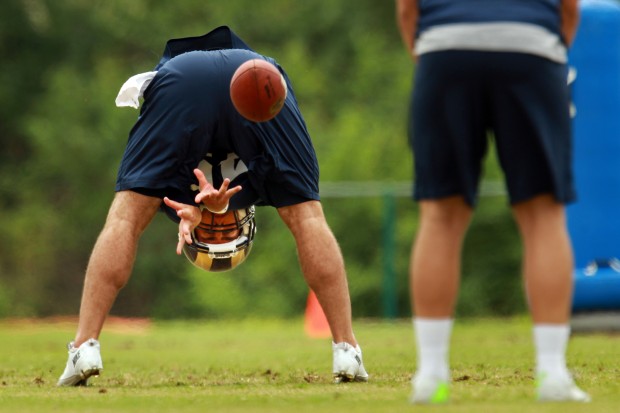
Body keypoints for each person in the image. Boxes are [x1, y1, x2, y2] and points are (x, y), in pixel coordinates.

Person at [57, 26, 368, 386]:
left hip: (186, 81)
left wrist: (194, 208)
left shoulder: (181, 198)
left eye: (213, 230)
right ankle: (345, 346)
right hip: (249, 72)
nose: (218, 223)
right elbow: (268, 174)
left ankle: (84, 345)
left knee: (125, 217)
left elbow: (156, 197)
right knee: (307, 215)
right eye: (226, 228)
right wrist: (210, 209)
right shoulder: (235, 192)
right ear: (245, 225)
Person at [395, 0, 589, 404]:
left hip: (443, 45)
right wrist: (548, 53)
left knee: (440, 214)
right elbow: (569, 9)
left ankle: (431, 376)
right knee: (543, 214)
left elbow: (406, 8)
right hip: (532, 45)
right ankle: (552, 372)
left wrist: (431, 53)